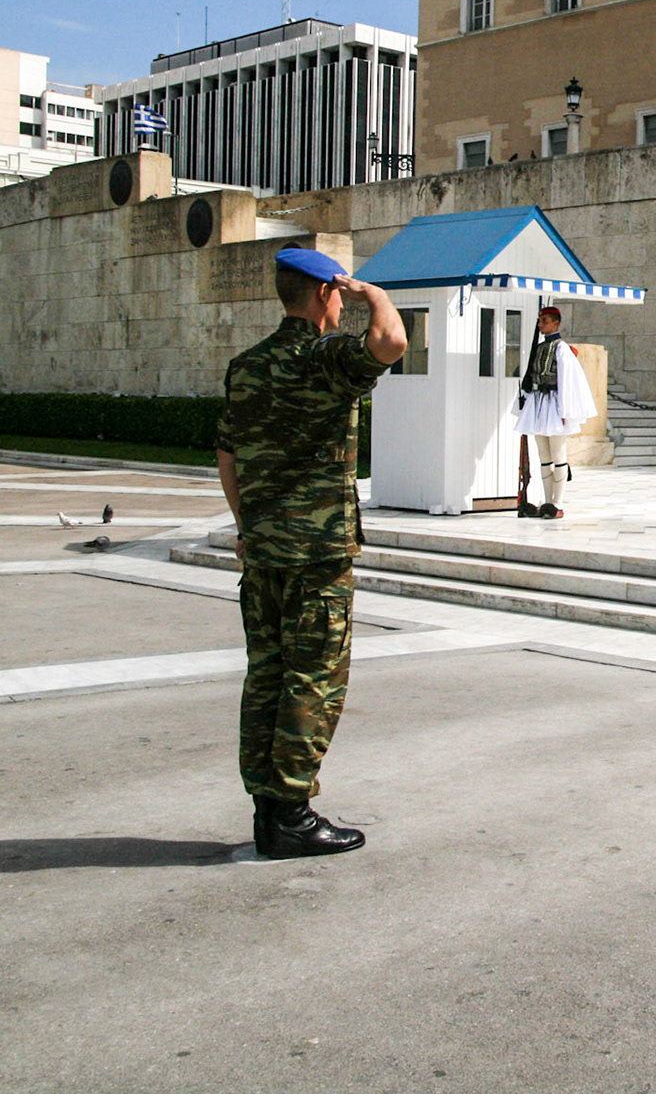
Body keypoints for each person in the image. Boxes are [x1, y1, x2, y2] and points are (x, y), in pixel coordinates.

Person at [215, 248, 407, 859]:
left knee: (266, 676)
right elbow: (391, 343)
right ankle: (292, 812)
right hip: (317, 555)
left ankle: (268, 810)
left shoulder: (246, 366)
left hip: (266, 552)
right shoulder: (323, 358)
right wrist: (372, 294)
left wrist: (248, 526)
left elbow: (227, 456)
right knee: (313, 680)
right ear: (327, 294)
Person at [512, 304, 598, 519]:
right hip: (539, 404)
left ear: (555, 323)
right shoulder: (540, 348)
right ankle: (547, 501)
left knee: (558, 454)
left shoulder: (561, 348)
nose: (541, 325)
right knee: (544, 456)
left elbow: (568, 381)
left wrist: (565, 410)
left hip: (555, 405)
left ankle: (557, 503)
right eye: (540, 321)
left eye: (544, 321)